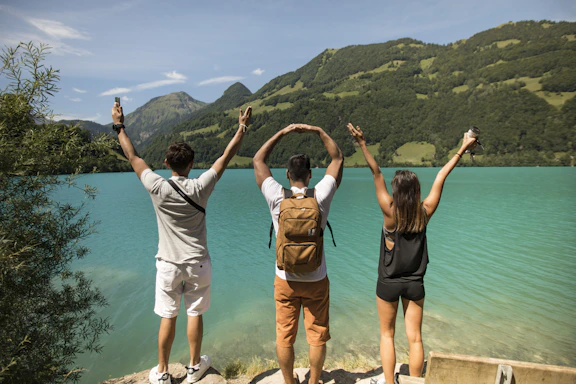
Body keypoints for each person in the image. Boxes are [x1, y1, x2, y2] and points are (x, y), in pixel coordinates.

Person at [111, 102, 252, 384]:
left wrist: (119, 126)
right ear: (191, 164)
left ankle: (162, 372)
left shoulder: (157, 186)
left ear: (166, 164)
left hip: (168, 263)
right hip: (198, 262)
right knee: (195, 312)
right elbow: (225, 156)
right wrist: (242, 127)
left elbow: (133, 156)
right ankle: (193, 367)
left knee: (167, 315)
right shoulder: (200, 187)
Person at [346, 123, 477, 384]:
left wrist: (362, 143)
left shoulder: (389, 212)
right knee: (415, 337)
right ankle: (416, 381)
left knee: (387, 335)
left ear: (396, 192)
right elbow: (441, 176)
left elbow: (376, 173)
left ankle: (390, 381)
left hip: (388, 283)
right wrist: (463, 147)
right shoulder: (424, 212)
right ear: (416, 192)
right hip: (415, 283)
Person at [253, 123, 343, 384]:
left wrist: (282, 132)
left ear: (287, 174)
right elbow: (337, 158)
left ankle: (290, 382)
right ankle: (314, 381)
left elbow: (258, 159)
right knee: (316, 335)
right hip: (316, 279)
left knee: (284, 335)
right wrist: (318, 131)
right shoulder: (322, 195)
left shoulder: (276, 196)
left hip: (285, 278)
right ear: (311, 174)